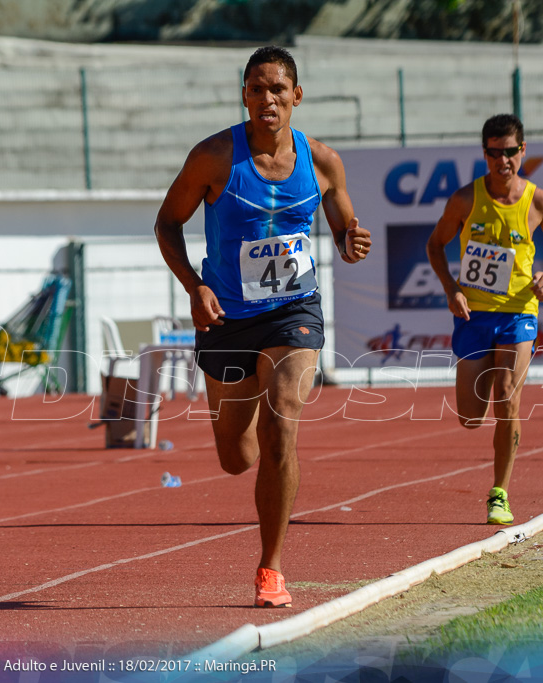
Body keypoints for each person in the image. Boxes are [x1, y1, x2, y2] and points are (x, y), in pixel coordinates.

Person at [154, 46, 372, 607]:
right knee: (236, 455)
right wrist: (194, 287)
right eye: (256, 88)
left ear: (296, 95)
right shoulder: (213, 157)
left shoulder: (322, 162)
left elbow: (344, 221)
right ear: (244, 95)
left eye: (277, 88)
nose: (267, 98)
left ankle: (270, 568)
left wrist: (351, 240)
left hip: (292, 312)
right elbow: (167, 222)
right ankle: (242, 431)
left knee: (282, 424)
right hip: (226, 315)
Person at [426, 113, 543, 525]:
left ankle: (499, 493)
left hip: (519, 312)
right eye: (494, 153)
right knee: (471, 417)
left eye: (510, 152)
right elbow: (435, 246)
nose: (502, 160)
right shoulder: (465, 199)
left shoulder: (539, 202)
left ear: (522, 151)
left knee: (508, 397)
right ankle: (486, 369)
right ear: (485, 153)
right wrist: (451, 288)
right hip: (474, 314)